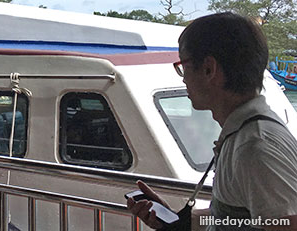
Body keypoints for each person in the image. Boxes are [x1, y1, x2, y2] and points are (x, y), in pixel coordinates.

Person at [127, 12, 297, 231]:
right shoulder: (241, 135)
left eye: (183, 65)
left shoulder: (255, 147)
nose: (184, 77)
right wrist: (176, 222)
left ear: (209, 68)